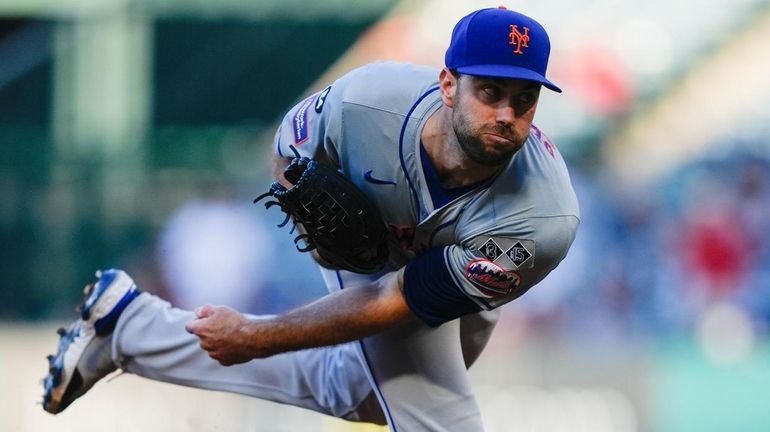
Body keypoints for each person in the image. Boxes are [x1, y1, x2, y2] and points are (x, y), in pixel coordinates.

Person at [42, 6, 579, 431]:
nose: (507, 114)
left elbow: (399, 301)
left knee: (359, 392)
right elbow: (287, 146)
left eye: (523, 99)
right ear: (447, 84)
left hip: (455, 265)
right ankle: (130, 330)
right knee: (441, 416)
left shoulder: (542, 218)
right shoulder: (365, 101)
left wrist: (257, 335)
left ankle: (130, 328)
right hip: (370, 239)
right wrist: (309, 225)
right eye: (489, 92)